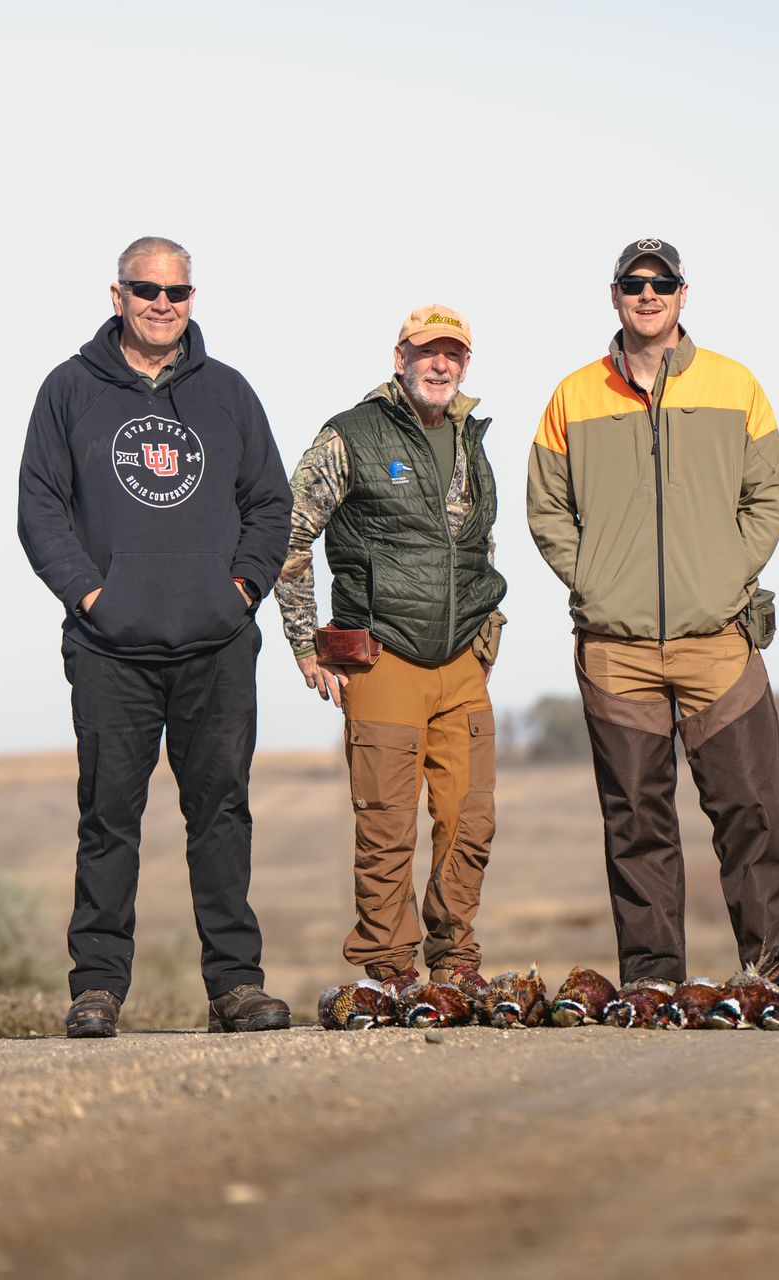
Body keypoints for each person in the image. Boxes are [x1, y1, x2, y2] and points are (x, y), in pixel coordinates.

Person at [17, 236, 293, 1037]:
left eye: (175, 293)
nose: (160, 305)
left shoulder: (230, 394)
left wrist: (239, 590)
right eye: (146, 291)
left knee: (222, 814)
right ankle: (97, 987)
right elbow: (40, 506)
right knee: (108, 818)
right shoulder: (69, 391)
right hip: (111, 650)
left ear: (192, 299)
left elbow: (270, 504)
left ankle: (237, 987)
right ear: (117, 296)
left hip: (215, 645)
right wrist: (93, 596)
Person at [527, 239, 779, 985]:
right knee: (636, 824)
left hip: (718, 640)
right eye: (633, 283)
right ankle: (653, 982)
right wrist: (593, 580)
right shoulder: (573, 396)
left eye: (661, 283)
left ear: (684, 294)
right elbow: (546, 507)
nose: (647, 294)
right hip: (615, 649)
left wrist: (723, 578)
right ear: (614, 294)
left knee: (754, 811)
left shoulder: (736, 385)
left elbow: (769, 497)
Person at [276, 306, 508, 994]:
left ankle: (456, 963)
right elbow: (289, 537)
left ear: (465, 364)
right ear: (399, 356)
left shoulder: (472, 438)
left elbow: (476, 544)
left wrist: (487, 633)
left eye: (453, 355)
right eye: (426, 352)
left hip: (462, 661)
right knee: (386, 824)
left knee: (472, 819)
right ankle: (390, 970)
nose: (440, 365)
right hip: (383, 658)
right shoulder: (349, 435)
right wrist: (304, 643)